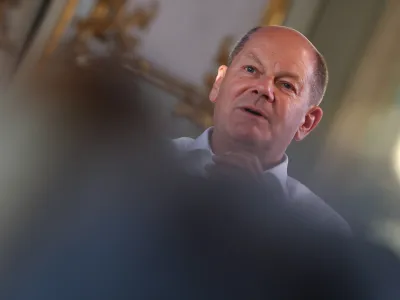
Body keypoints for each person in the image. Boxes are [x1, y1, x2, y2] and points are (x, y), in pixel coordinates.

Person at [174, 26, 350, 234]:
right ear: (218, 84)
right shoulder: (144, 160)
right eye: (250, 70)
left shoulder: (323, 231)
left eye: (286, 85)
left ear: (306, 122)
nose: (264, 89)